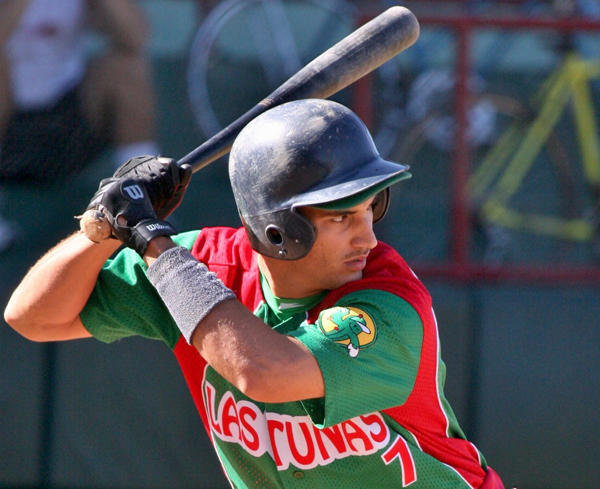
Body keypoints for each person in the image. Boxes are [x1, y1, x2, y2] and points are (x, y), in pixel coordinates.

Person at [4, 99, 506, 488]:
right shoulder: (202, 265)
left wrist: (155, 245)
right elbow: (32, 317)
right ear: (277, 229)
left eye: (371, 209)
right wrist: (102, 228)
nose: (369, 238)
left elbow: (263, 372)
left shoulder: (391, 305)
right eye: (342, 218)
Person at [0, 0, 159, 183]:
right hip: (9, 129)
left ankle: (145, 192)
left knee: (125, 69)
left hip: (67, 127)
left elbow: (136, 37)